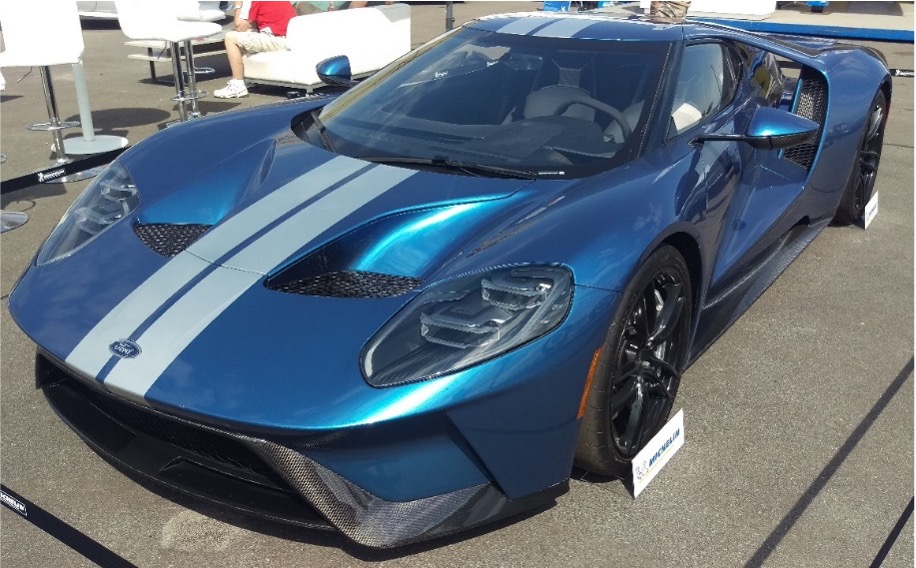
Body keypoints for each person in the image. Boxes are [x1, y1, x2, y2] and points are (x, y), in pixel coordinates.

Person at [214, 1, 297, 98]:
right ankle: (247, 78)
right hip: (289, 37)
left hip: (277, 40)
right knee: (241, 36)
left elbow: (240, 26)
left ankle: (238, 85)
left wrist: (238, 5)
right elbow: (251, 24)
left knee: (230, 37)